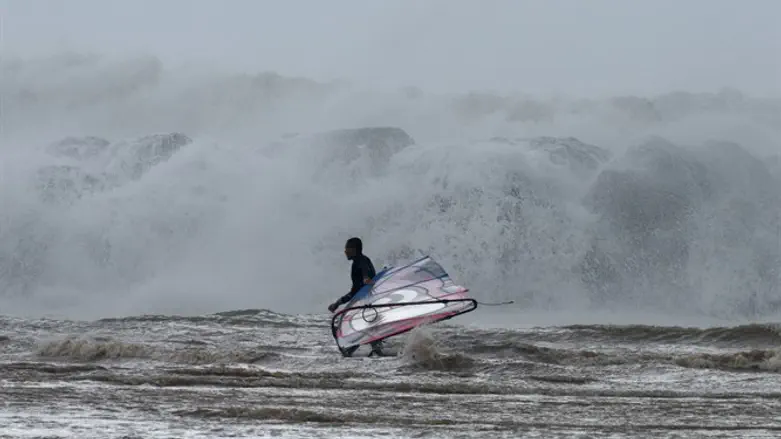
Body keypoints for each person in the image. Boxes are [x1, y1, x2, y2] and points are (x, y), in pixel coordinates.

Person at [328, 237, 386, 356]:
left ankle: (353, 350)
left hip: (367, 305)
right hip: (367, 304)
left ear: (354, 250)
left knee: (362, 327)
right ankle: (373, 352)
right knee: (367, 329)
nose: (345, 251)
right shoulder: (360, 261)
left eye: (347, 248)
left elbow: (364, 271)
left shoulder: (361, 261)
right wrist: (338, 303)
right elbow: (355, 291)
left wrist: (365, 278)